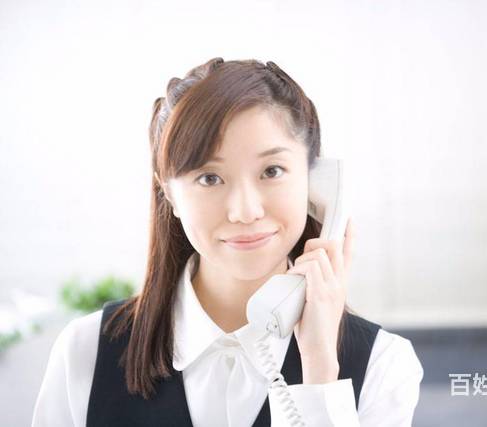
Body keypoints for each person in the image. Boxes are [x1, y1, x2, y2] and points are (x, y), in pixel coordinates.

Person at [31, 57, 424, 426]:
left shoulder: (383, 365)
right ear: (169, 194)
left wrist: (320, 373)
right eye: (209, 178)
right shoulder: (84, 351)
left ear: (315, 180)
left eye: (272, 171)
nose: (245, 211)